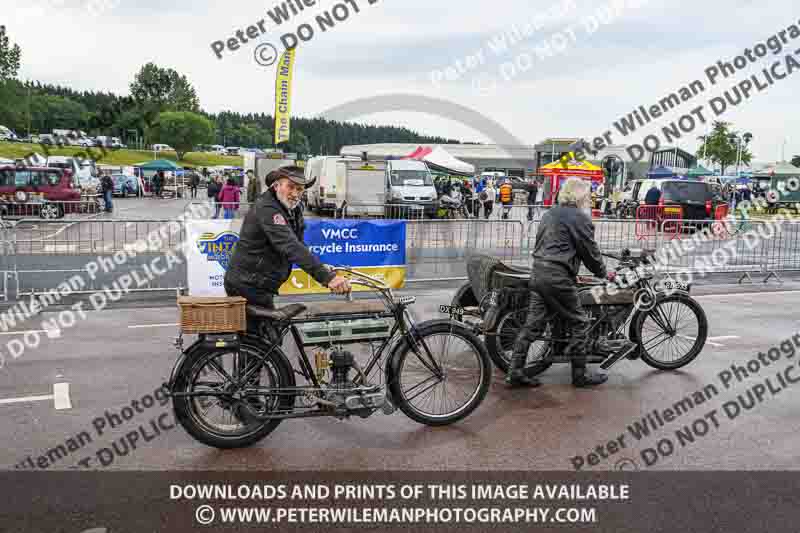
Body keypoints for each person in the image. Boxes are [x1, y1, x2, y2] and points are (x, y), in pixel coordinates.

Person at [506, 178, 635, 388]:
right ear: (580, 196)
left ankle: (515, 372)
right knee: (580, 322)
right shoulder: (579, 218)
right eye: (588, 196)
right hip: (558, 277)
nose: (590, 200)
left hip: (539, 273)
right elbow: (590, 252)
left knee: (532, 326)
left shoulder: (550, 213)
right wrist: (605, 273)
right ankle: (580, 375)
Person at [225, 165, 351, 313]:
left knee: (269, 331)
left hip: (260, 284)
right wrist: (328, 278)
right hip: (247, 284)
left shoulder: (293, 209)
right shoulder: (267, 208)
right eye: (290, 187)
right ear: (276, 185)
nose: (295, 193)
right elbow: (290, 246)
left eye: (300, 189)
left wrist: (321, 267)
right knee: (262, 333)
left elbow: (299, 244)